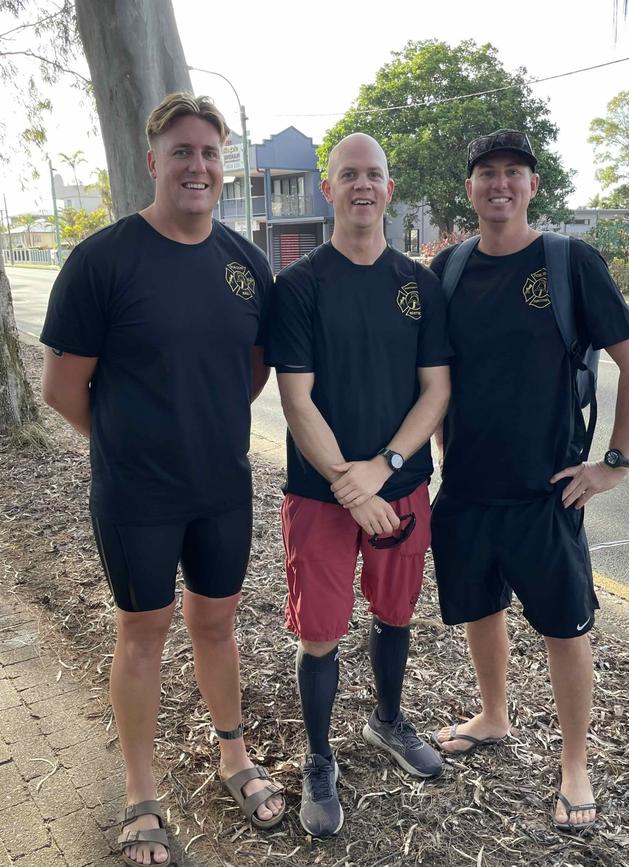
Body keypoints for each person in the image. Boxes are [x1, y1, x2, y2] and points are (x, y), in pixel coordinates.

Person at [40, 92, 284, 867]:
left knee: (217, 624)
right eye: (182, 152)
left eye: (210, 153)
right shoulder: (102, 260)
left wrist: (197, 425)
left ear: (225, 167)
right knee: (141, 633)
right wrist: (128, 443)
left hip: (221, 487)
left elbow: (250, 371)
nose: (198, 166)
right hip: (136, 495)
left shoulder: (245, 264)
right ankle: (141, 793)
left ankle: (232, 756)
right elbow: (61, 388)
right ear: (153, 162)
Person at [429, 129, 629, 834]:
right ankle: (493, 714)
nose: (499, 184)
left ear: (533, 187)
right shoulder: (448, 268)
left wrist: (614, 462)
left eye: (513, 173)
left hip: (547, 489)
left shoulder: (569, 262)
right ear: (470, 188)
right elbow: (436, 372)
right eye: (486, 173)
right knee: (481, 606)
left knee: (564, 626)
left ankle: (575, 762)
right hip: (465, 486)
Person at [265, 132, 452, 837]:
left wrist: (387, 470)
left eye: (373, 174)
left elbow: (436, 390)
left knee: (396, 614)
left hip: (401, 488)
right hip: (321, 496)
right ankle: (319, 757)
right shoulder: (301, 284)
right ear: (328, 189)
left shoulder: (419, 284)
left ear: (390, 188)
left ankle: (387, 720)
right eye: (349, 175)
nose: (362, 185)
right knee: (319, 633)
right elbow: (296, 399)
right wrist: (352, 486)